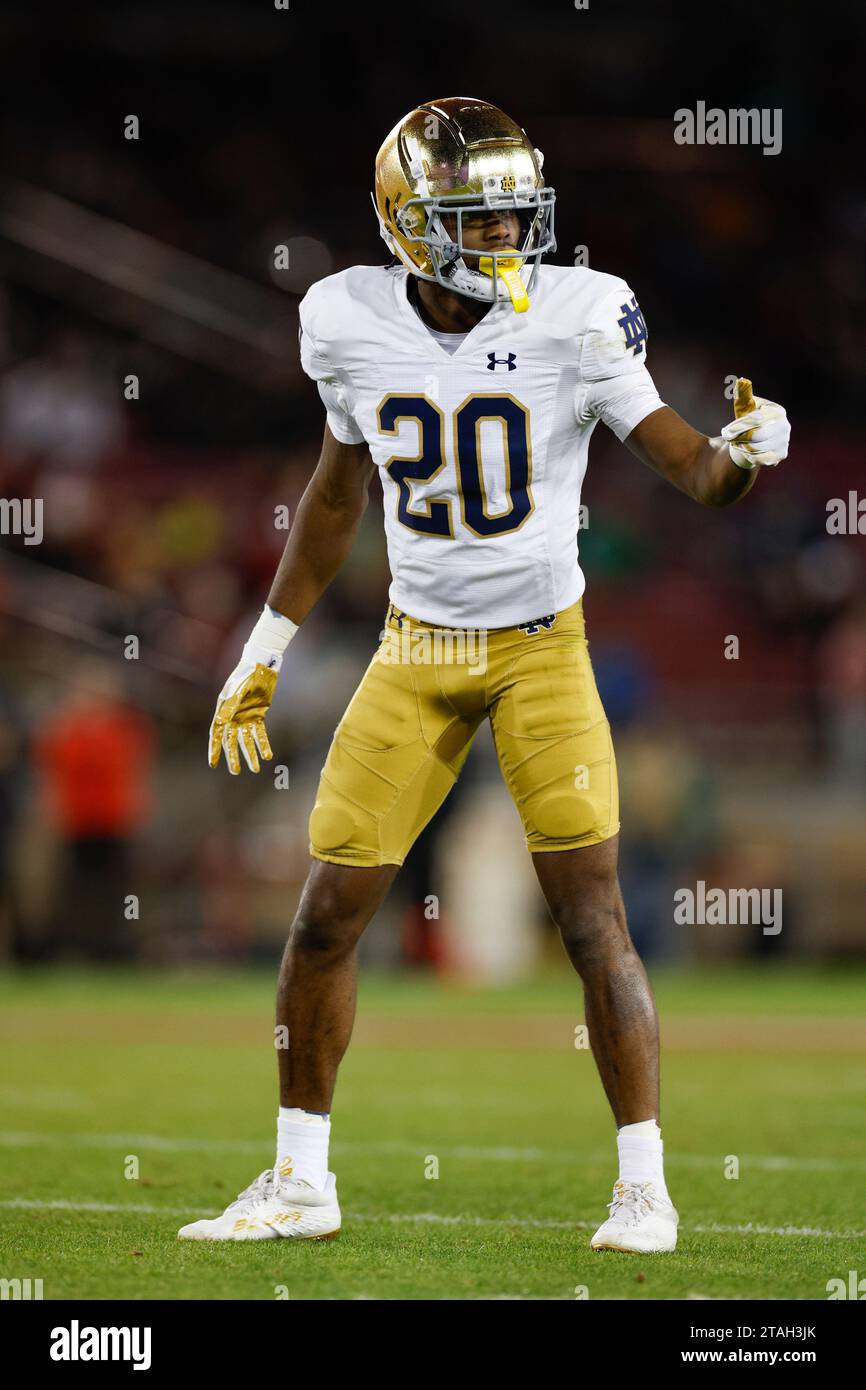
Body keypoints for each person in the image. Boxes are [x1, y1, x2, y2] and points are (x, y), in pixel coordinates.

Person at [178, 97, 790, 1251]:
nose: (509, 237)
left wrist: (739, 461)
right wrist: (259, 652)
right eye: (480, 217)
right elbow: (332, 495)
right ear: (410, 223)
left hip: (537, 649)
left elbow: (684, 463)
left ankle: (643, 1188)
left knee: (591, 920)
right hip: (412, 650)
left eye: (517, 215)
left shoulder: (578, 315)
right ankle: (301, 1182)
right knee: (321, 919)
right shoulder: (347, 320)